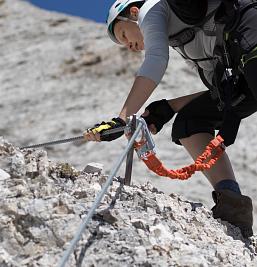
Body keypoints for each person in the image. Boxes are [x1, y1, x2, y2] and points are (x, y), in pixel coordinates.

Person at [84, 0, 257, 238]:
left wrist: (122, 118)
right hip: (245, 60)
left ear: (134, 13)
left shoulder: (151, 9)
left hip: (252, 38)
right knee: (190, 121)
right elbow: (225, 94)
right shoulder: (193, 44)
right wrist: (169, 107)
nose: (129, 46)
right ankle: (232, 203)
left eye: (123, 34)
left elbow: (156, 60)